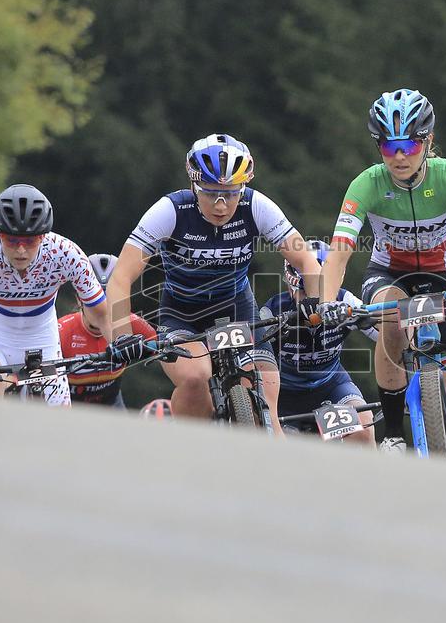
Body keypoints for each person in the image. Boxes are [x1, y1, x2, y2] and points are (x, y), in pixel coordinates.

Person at [317, 88, 446, 462]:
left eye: (409, 147)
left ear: (427, 141)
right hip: (389, 275)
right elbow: (339, 253)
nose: (398, 157)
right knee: (392, 320)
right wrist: (326, 302)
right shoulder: (367, 184)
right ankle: (394, 433)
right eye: (388, 146)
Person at [106, 134, 322, 432]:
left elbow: (307, 260)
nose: (221, 205)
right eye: (210, 193)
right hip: (183, 314)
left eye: (231, 194)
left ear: (242, 189)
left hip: (238, 308)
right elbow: (121, 277)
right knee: (195, 378)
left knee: (266, 395)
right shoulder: (170, 211)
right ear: (194, 186)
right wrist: (121, 336)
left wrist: (314, 302)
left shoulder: (256, 206)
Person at [0, 184, 142, 405]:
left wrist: (120, 340)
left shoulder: (66, 254)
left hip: (41, 343)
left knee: (53, 422)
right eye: (11, 240)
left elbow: (101, 314)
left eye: (29, 241)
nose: (21, 250)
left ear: (43, 236)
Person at [260, 240, 378, 445]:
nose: (314, 303)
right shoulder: (272, 309)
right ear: (291, 286)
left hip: (331, 385)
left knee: (364, 426)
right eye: (306, 294)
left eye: (322, 292)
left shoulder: (344, 301)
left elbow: (382, 333)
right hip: (285, 396)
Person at [58, 254, 157, 407]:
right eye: (94, 298)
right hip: (69, 407)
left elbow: (162, 346)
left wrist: (147, 348)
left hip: (111, 404)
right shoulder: (62, 330)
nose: (103, 306)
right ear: (79, 298)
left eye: (108, 296)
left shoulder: (131, 323)